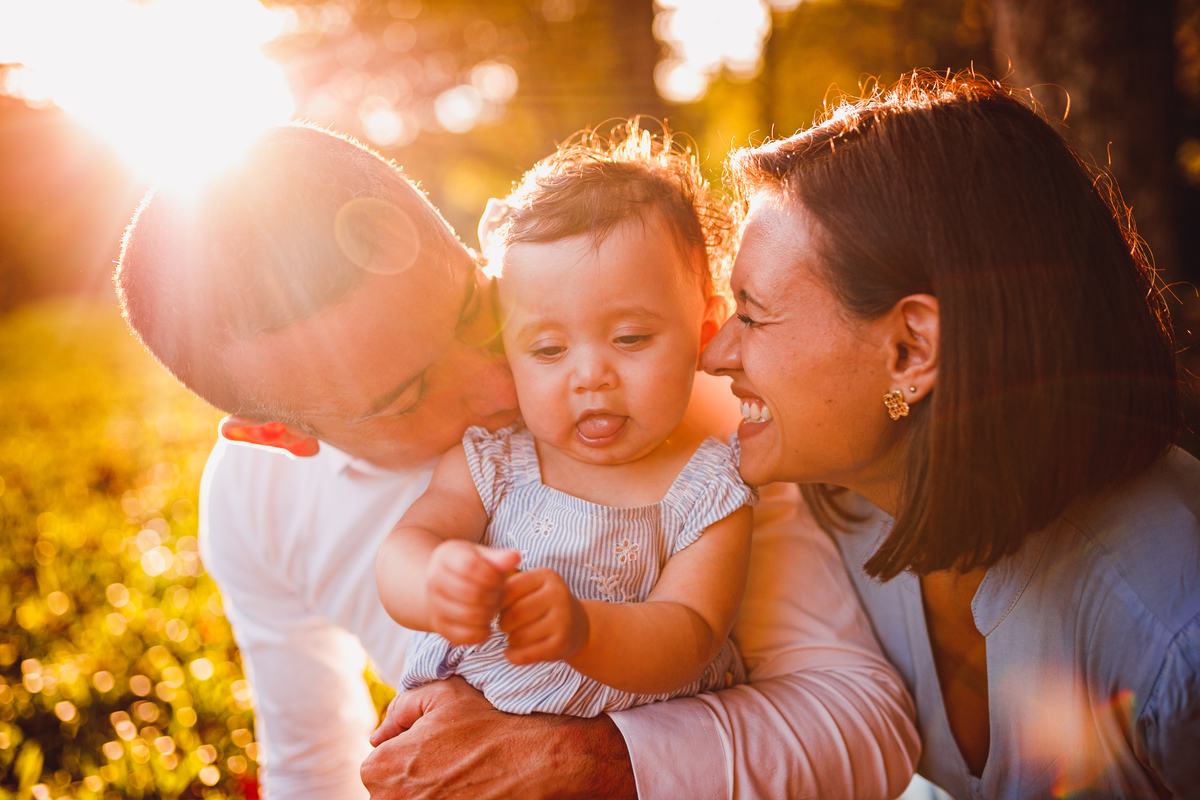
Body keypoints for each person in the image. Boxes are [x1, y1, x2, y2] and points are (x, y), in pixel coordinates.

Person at [113, 122, 919, 799]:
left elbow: (863, 724)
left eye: (476, 309)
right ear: (279, 437)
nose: (504, 386)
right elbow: (313, 763)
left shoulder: (680, 422)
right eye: (406, 396)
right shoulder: (257, 501)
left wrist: (580, 759)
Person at [699, 73, 1198, 798]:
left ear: (909, 350)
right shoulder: (835, 507)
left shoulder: (1170, 627)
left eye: (752, 313)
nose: (715, 355)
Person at [378, 129, 754, 717]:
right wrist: (435, 580)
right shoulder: (494, 464)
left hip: (631, 761)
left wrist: (586, 630)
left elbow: (691, 632)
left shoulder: (710, 493)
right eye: (548, 350)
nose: (590, 376)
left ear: (704, 329)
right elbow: (404, 547)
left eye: (630, 338)